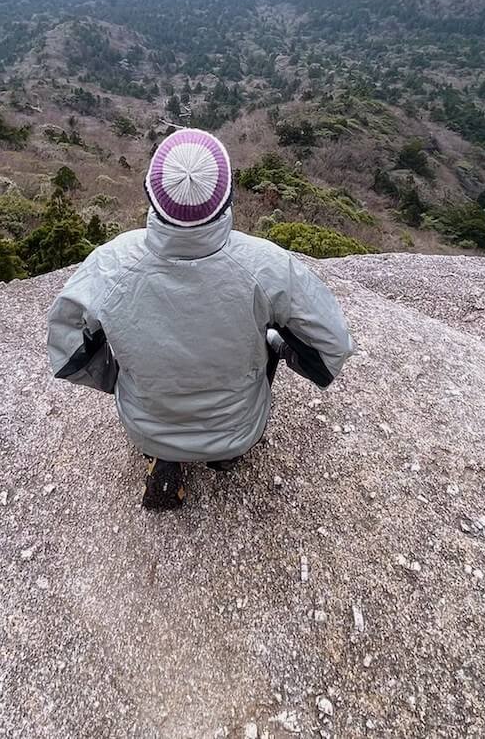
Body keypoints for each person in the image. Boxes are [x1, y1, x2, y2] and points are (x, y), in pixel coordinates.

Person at [45, 128, 354, 511]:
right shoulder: (267, 266)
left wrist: (119, 377)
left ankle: (164, 453)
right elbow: (331, 348)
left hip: (145, 427)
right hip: (240, 429)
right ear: (228, 197)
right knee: (270, 337)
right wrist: (283, 348)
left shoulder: (110, 264)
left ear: (150, 194)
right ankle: (224, 455)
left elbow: (66, 351)